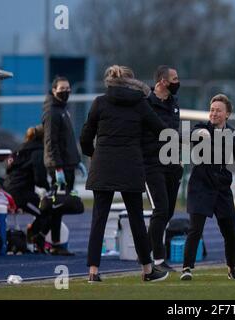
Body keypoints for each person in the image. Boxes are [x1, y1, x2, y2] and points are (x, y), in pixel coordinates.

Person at [80, 65, 170, 283]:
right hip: (131, 165)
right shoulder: (140, 103)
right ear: (132, 81)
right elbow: (161, 130)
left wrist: (94, 155)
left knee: (99, 219)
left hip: (103, 165)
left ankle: (93, 271)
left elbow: (85, 137)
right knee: (137, 219)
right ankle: (147, 270)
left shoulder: (99, 102)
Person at [180, 94, 235, 281]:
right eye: (212, 110)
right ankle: (186, 268)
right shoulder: (201, 129)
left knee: (230, 232)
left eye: (218, 110)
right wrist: (197, 135)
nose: (214, 113)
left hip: (221, 188)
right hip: (200, 185)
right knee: (195, 229)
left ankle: (232, 268)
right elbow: (185, 136)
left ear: (227, 114)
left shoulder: (233, 135)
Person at [142, 65, 184, 272]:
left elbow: (174, 132)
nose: (178, 81)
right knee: (160, 209)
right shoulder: (146, 104)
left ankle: (146, 251)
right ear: (162, 81)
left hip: (172, 164)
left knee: (168, 213)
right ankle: (158, 259)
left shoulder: (174, 103)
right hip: (152, 164)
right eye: (174, 78)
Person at [42, 76, 86, 255]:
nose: (66, 91)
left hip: (68, 164)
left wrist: (76, 161)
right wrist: (57, 168)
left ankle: (45, 237)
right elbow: (51, 143)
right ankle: (52, 240)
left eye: (68, 88)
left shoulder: (62, 110)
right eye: (62, 88)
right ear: (54, 90)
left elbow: (66, 141)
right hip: (60, 167)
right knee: (57, 205)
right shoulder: (52, 111)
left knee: (63, 204)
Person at [3, 125, 50, 252]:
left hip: (8, 190)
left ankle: (34, 236)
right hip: (21, 193)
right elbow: (39, 177)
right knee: (47, 211)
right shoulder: (38, 152)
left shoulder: (19, 149)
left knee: (43, 210)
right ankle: (34, 236)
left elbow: (8, 169)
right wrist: (48, 188)